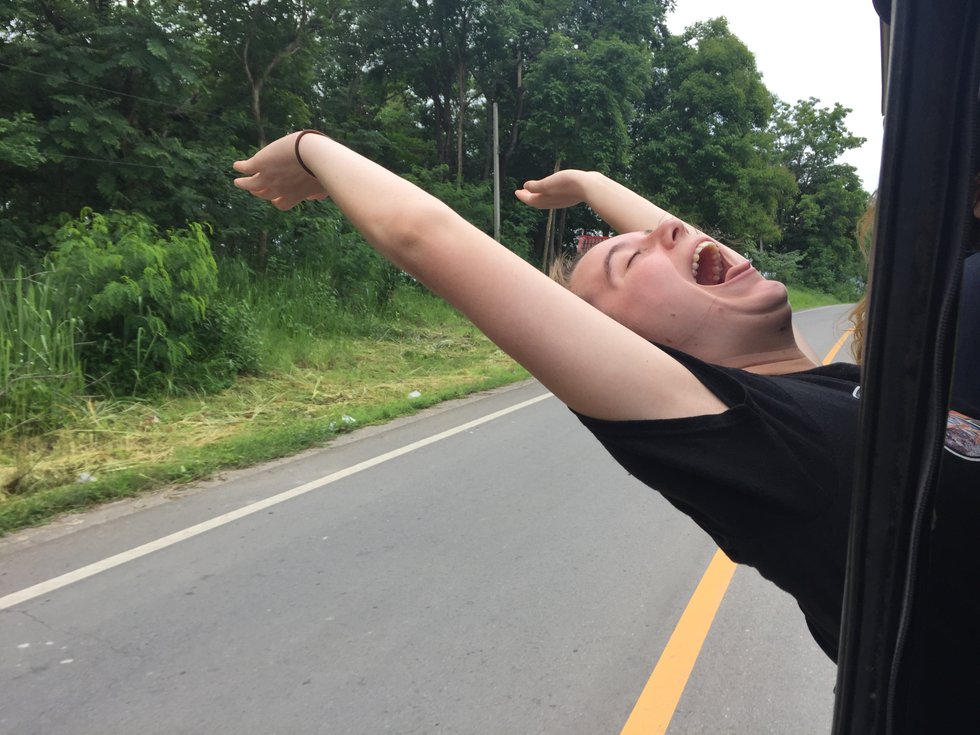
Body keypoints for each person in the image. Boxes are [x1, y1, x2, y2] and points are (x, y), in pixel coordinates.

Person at [232, 130, 978, 669]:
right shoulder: (761, 442)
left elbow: (696, 258)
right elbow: (422, 236)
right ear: (636, 354)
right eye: (632, 258)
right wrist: (309, 147)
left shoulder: (820, 386)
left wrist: (590, 183)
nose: (670, 230)